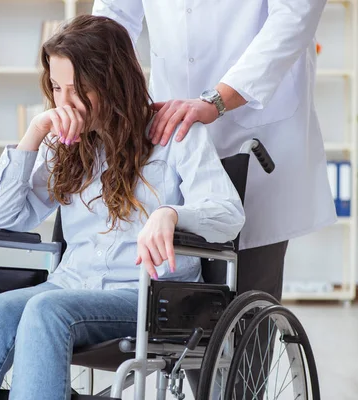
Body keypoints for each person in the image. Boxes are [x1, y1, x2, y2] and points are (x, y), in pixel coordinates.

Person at [0, 15, 244, 400]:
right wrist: (35, 133)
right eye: (57, 88)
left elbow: (228, 213)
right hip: (70, 285)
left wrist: (172, 214)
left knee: (46, 311)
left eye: (76, 90)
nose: (65, 103)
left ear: (111, 83)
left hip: (144, 295)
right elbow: (1, 218)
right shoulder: (68, 145)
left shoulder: (174, 134)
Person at [91, 0, 336, 300]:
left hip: (255, 123)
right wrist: (90, 89)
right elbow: (113, 18)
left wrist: (218, 99)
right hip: (171, 124)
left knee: (247, 294)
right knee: (166, 288)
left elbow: (295, 15)